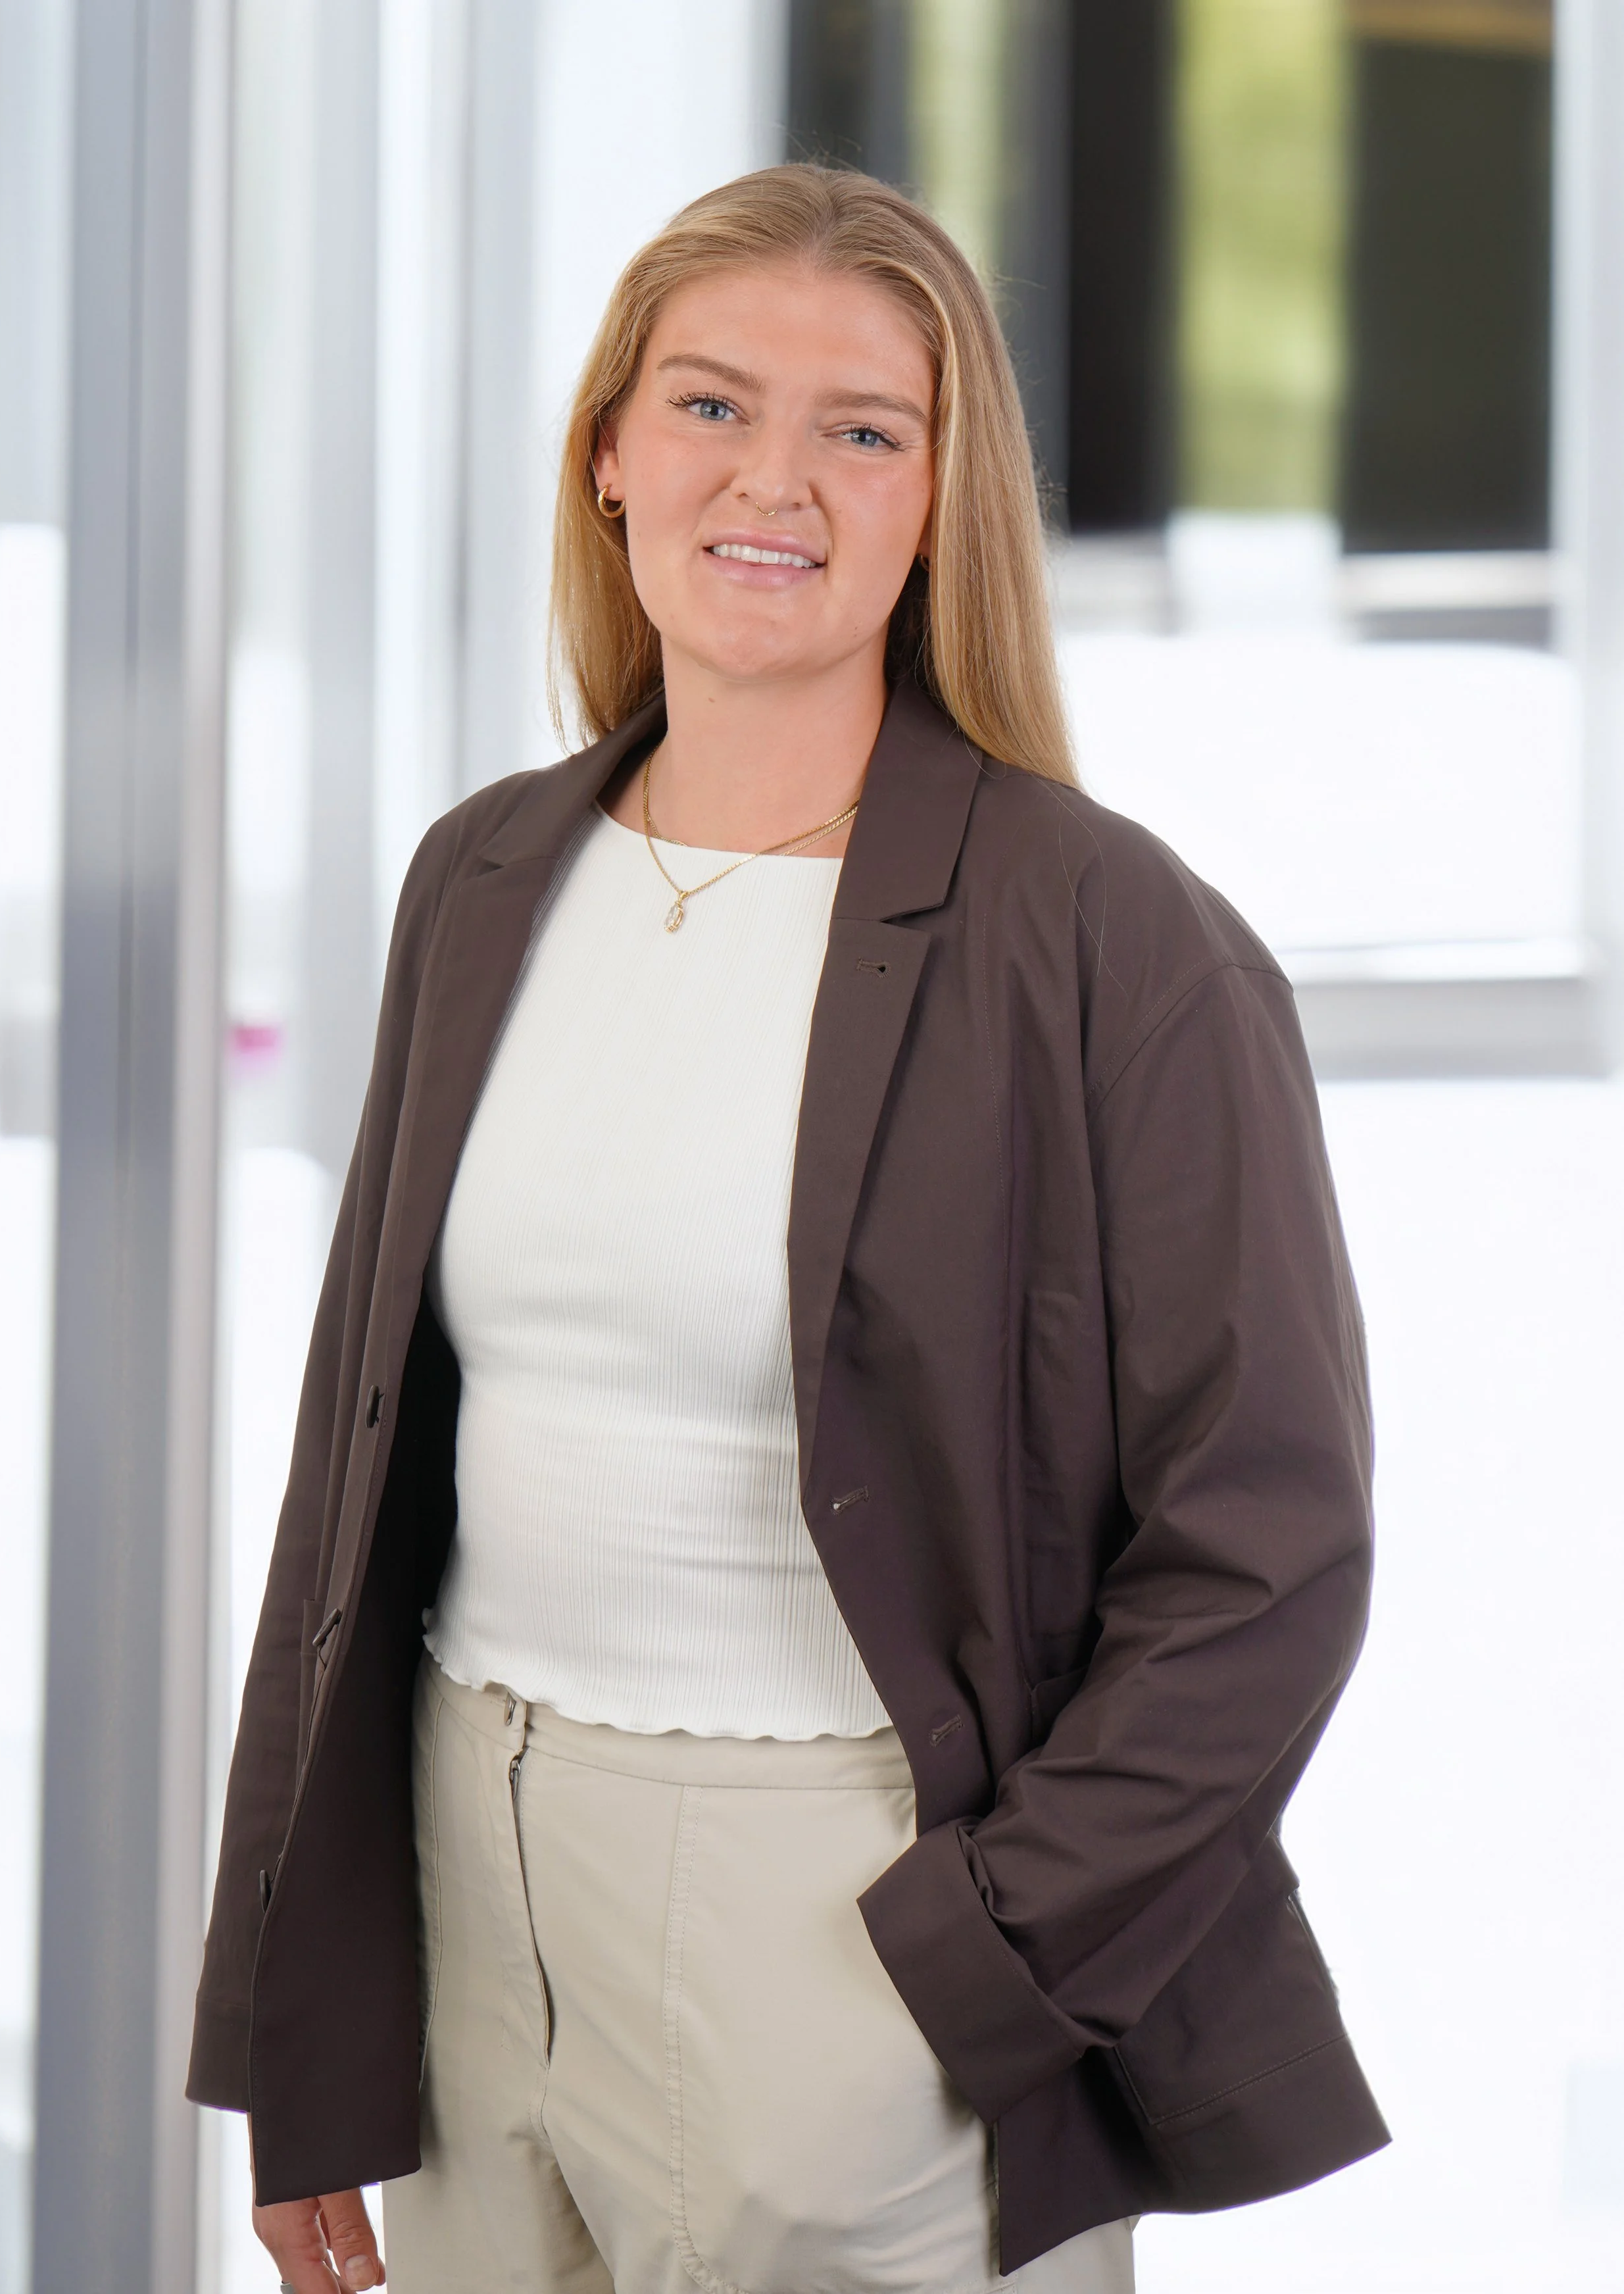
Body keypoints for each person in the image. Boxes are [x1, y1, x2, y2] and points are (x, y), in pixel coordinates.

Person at [187, 164, 1389, 2293]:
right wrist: (306, 2025)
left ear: (946, 497)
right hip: (470, 1892)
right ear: (609, 452)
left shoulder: (1110, 940)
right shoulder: (483, 879)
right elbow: (356, 1480)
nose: (775, 480)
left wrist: (978, 1957)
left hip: (851, 1920)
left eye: (862, 428)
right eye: (712, 405)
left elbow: (1265, 1547)